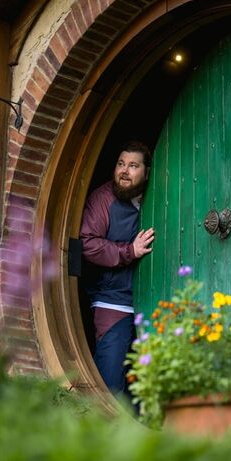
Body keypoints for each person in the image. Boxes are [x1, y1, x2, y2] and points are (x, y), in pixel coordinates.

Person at [80, 140, 155, 394]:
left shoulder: (158, 195)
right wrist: (129, 251)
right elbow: (87, 244)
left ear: (146, 172)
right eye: (121, 164)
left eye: (133, 166)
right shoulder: (103, 199)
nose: (124, 171)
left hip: (154, 303)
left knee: (145, 389)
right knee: (111, 384)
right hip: (113, 304)